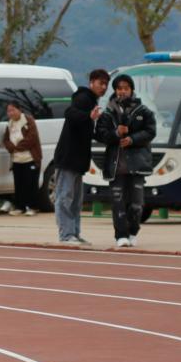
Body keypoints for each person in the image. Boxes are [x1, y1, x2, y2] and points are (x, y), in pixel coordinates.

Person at [95, 74, 155, 248]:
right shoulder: (107, 113)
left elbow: (151, 132)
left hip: (137, 165)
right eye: (119, 88)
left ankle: (133, 231)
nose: (122, 91)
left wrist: (132, 139)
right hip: (116, 166)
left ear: (132, 90)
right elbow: (100, 134)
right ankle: (120, 235)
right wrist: (116, 134)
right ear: (115, 91)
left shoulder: (143, 111)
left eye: (126, 88)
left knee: (137, 204)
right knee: (117, 203)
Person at [54, 70, 109, 245]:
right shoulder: (83, 97)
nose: (103, 87)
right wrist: (88, 116)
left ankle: (74, 233)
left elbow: (90, 131)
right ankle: (66, 235)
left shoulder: (92, 101)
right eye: (100, 83)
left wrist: (113, 136)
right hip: (68, 157)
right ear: (92, 82)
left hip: (78, 160)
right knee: (65, 197)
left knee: (76, 201)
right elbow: (70, 113)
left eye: (106, 84)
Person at [2, 102, 42, 215]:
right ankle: (20, 207)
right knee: (19, 184)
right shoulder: (10, 124)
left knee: (31, 183)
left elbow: (32, 138)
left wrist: (17, 148)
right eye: (8, 111)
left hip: (30, 158)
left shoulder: (28, 120)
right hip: (16, 159)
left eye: (13, 110)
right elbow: (6, 139)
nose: (11, 113)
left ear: (19, 110)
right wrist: (11, 147)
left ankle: (33, 207)